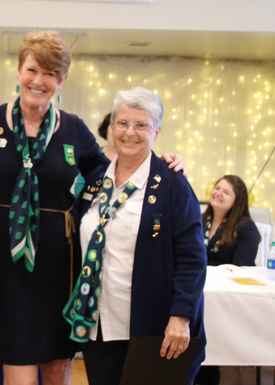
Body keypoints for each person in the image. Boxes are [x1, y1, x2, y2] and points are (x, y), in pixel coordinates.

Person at [0, 30, 185, 385]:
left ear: (61, 81)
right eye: (32, 70)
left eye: (50, 73)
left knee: (58, 366)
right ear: (18, 72)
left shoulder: (72, 128)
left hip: (60, 265)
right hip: (7, 270)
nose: (39, 80)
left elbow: (110, 173)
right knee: (17, 360)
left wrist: (159, 161)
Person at [66, 86, 206, 385]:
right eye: (123, 123)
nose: (130, 132)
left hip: (150, 325)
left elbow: (192, 258)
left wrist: (181, 317)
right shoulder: (95, 181)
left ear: (156, 131)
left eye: (141, 125)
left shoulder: (173, 186)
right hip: (98, 323)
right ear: (112, 127)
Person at [194, 175, 261, 385]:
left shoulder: (246, 228)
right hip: (195, 292)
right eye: (217, 188)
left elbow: (242, 267)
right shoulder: (199, 220)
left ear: (237, 199)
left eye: (226, 191)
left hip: (221, 300)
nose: (218, 193)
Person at [74, 113, 117, 196]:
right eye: (113, 126)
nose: (117, 132)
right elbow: (79, 187)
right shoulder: (92, 155)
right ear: (106, 129)